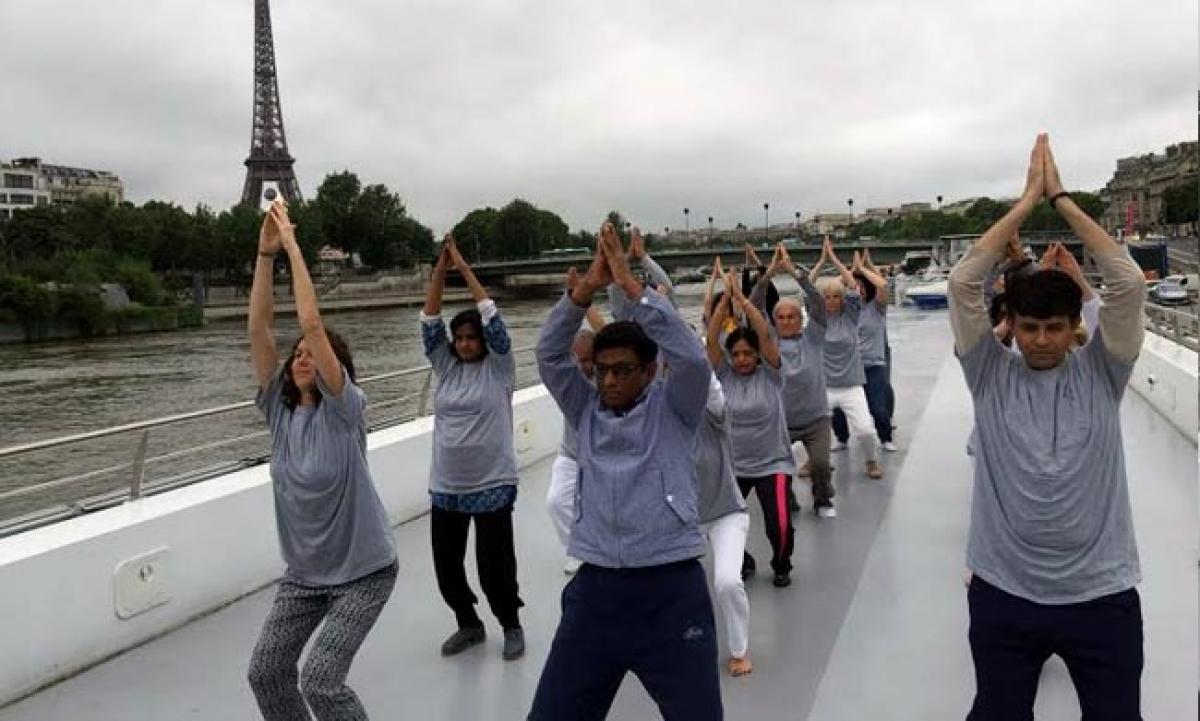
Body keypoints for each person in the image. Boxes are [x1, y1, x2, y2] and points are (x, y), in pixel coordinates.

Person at [949, 133, 1147, 719]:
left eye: (1053, 328)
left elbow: (1128, 285)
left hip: (1103, 596)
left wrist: (1059, 197)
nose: (1040, 341)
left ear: (1073, 327)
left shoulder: (1102, 374)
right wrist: (1023, 203)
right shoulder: (988, 373)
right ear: (1010, 322)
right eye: (1029, 327)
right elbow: (963, 283)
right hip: (1004, 596)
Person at [529, 223, 721, 721]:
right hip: (597, 594)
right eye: (601, 369)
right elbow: (549, 354)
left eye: (622, 370)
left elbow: (692, 358)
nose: (608, 380)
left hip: (670, 591)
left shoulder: (676, 407)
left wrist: (633, 289)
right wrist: (586, 288)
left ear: (650, 371)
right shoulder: (584, 407)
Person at [246, 201, 397, 721]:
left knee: (322, 682)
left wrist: (292, 245)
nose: (300, 357)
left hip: (363, 572)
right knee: (265, 673)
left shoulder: (344, 411)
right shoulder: (279, 414)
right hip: (304, 577)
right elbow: (260, 329)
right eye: (296, 357)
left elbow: (311, 323)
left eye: (311, 354)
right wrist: (265, 255)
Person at [421, 234, 525, 661]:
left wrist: (462, 266)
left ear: (483, 340)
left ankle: (511, 624)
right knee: (447, 567)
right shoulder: (444, 367)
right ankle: (468, 622)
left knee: (494, 566)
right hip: (447, 485)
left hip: (492, 483)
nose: (464, 343)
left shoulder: (500, 367)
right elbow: (429, 319)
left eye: (471, 337)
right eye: (459, 337)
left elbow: (491, 314)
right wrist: (439, 272)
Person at [707, 272, 797, 588]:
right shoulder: (724, 376)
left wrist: (744, 301)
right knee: (718, 523)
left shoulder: (772, 374)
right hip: (734, 467)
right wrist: (724, 305)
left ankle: (782, 563)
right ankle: (743, 562)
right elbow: (711, 339)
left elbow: (765, 334)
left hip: (773, 463)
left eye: (748, 353)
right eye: (737, 354)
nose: (742, 359)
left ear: (757, 354)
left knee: (780, 525)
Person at [770, 244, 837, 518]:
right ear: (774, 321)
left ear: (801, 319)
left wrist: (797, 275)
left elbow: (818, 304)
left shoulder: (813, 338)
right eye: (781, 317)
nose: (786, 321)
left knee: (820, 464)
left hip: (816, 418)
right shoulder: (768, 343)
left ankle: (823, 499)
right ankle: (788, 501)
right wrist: (769, 275)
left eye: (792, 316)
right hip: (781, 421)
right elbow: (754, 302)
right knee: (779, 471)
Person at [694, 371, 753, 677]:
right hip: (683, 520)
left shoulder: (714, 412)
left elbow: (711, 385)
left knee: (727, 582)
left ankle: (739, 650)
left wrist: (696, 356)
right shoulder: (659, 419)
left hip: (725, 512)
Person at [810, 237, 884, 479]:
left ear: (842, 299)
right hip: (826, 386)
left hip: (852, 385)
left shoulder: (851, 316)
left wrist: (835, 261)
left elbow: (853, 287)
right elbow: (807, 287)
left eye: (835, 297)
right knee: (814, 430)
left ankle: (871, 461)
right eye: (827, 297)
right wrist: (822, 262)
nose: (831, 301)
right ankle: (814, 463)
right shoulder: (819, 320)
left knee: (865, 430)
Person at [831, 250, 897, 452]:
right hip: (849, 368)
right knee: (838, 408)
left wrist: (861, 270)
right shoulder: (844, 313)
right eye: (853, 287)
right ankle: (842, 438)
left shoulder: (876, 308)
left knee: (878, 407)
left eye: (861, 287)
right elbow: (832, 287)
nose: (857, 290)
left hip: (873, 365)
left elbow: (883, 285)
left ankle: (885, 438)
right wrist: (850, 272)